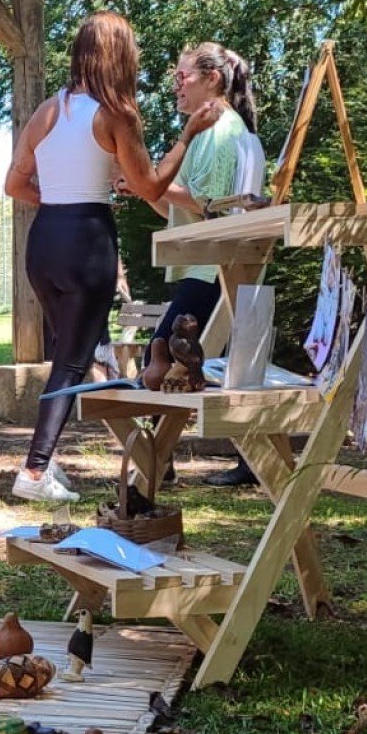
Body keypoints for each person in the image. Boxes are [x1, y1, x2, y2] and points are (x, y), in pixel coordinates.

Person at [3, 12, 198, 504]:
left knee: (74, 354)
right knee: (71, 360)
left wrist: (58, 198)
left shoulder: (50, 109)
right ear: (120, 57)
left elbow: (13, 184)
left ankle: (61, 460)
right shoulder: (116, 114)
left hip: (44, 241)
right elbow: (151, 184)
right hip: (87, 239)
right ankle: (33, 470)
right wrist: (188, 134)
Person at [138, 40, 263, 487]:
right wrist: (147, 187)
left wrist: (149, 181)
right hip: (210, 266)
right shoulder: (216, 129)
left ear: (212, 78)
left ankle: (155, 463)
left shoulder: (214, 130)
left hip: (214, 266)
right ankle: (165, 461)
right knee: (219, 363)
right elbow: (183, 211)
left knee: (161, 356)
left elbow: (206, 205)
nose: (176, 85)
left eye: (182, 76)